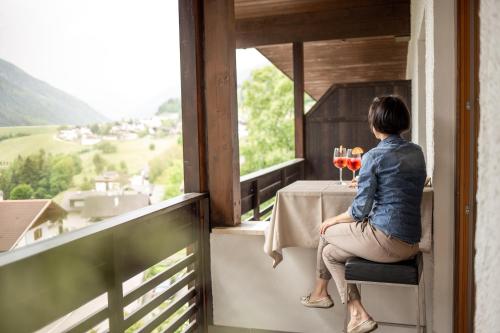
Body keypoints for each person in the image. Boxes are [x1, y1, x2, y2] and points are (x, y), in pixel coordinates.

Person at [301, 95, 427, 333]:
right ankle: (357, 313)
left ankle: (320, 292)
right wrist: (369, 180)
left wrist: (334, 219)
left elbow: (360, 211)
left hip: (386, 240)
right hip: (411, 242)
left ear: (375, 124)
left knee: (326, 231)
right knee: (329, 253)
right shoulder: (416, 151)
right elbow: (400, 180)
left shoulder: (373, 156)